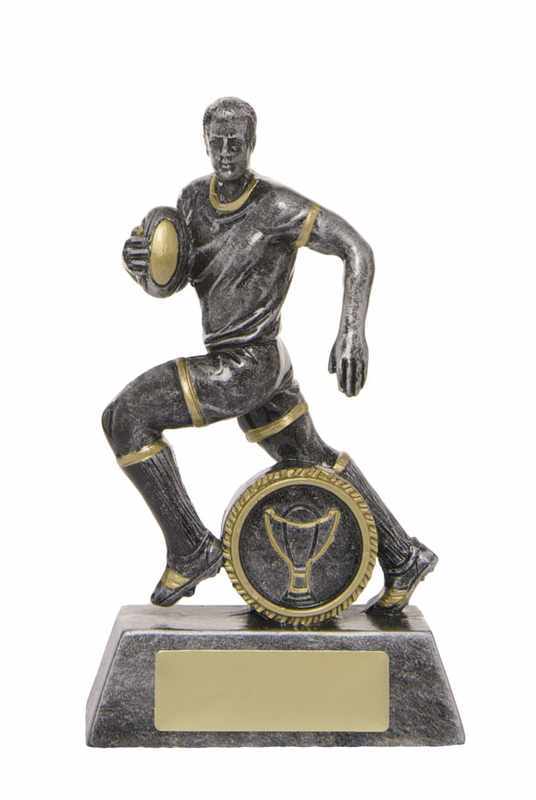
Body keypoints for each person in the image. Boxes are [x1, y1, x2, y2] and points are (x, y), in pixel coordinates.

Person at [104, 97, 437, 615]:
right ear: (204, 143)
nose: (226, 151)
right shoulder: (191, 201)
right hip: (260, 367)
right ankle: (402, 555)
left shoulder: (277, 207)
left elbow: (356, 249)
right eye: (217, 142)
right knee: (311, 458)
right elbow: (173, 278)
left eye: (236, 142)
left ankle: (191, 549)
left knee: (126, 416)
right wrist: (142, 264)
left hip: (247, 367)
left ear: (252, 143)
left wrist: (352, 331)